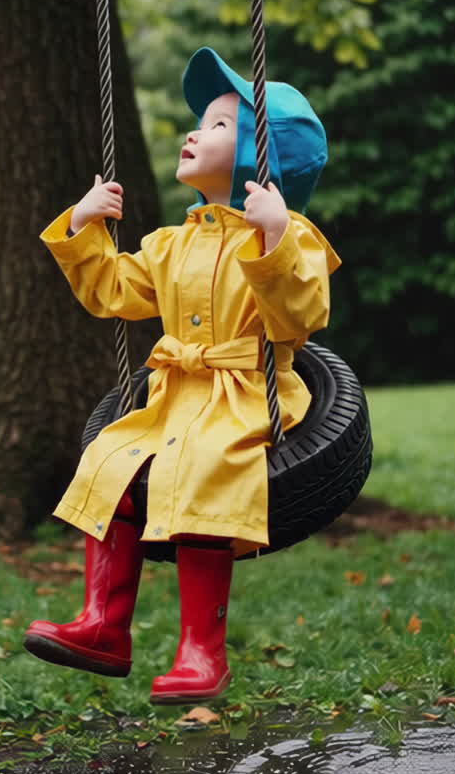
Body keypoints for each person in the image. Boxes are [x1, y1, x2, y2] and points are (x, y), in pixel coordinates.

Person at [24, 46, 340, 703]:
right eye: (201, 122)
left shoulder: (292, 235)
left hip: (244, 396)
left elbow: (298, 316)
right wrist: (83, 225)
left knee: (205, 473)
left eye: (219, 125)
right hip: (173, 398)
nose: (194, 132)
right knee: (110, 462)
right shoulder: (172, 242)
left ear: (263, 156)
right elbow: (113, 291)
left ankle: (202, 651)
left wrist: (274, 240)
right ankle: (102, 626)